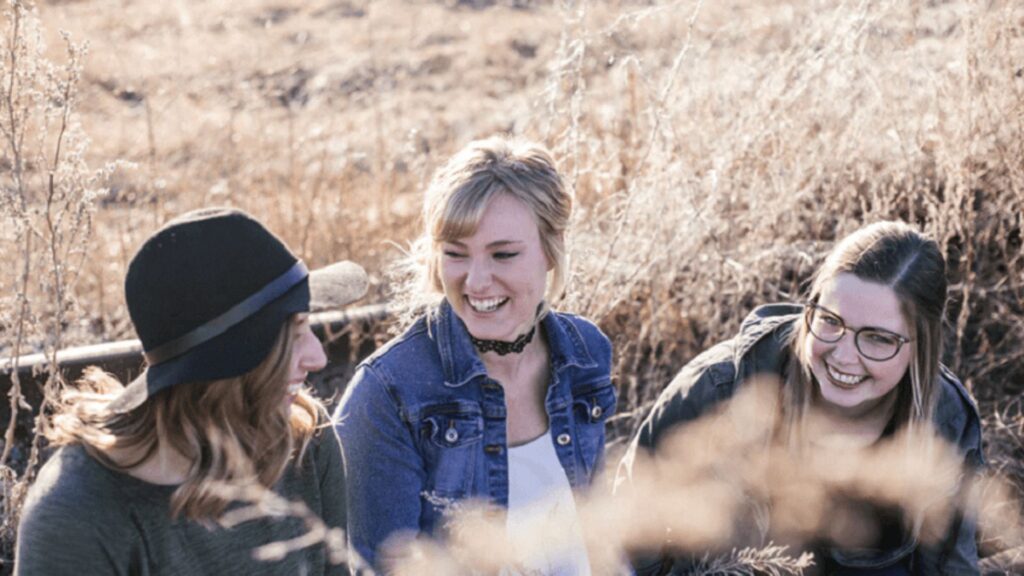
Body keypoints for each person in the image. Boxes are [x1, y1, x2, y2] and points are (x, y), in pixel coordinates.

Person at [616, 221, 984, 575]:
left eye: (878, 338)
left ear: (923, 346)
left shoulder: (944, 420)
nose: (843, 356)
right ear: (810, 305)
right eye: (830, 321)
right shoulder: (718, 388)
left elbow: (949, 565)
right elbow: (631, 527)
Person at [15, 207, 368, 575]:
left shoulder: (304, 441)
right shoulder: (79, 515)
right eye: (294, 335)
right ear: (225, 363)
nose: (319, 357)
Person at [335, 136, 615, 574]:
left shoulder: (586, 354)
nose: (477, 281)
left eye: (503, 254)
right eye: (455, 254)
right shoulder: (387, 395)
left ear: (550, 248)